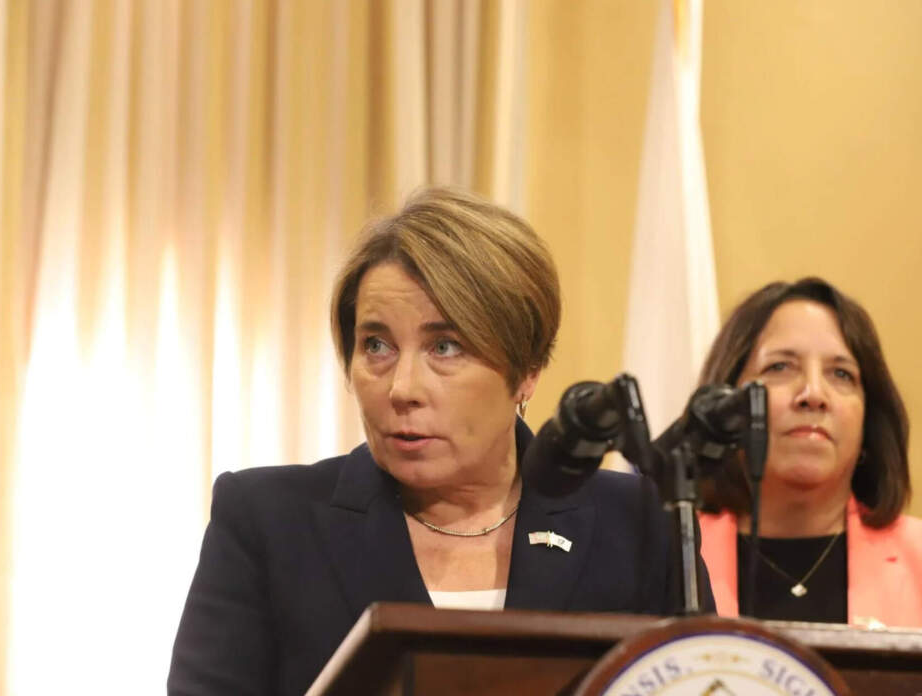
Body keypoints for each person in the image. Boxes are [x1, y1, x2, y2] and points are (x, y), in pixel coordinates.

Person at [167, 187, 713, 696]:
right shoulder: (268, 522)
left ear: (527, 369)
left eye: (446, 347)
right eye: (376, 344)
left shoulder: (637, 522)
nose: (402, 388)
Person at [695, 277, 922, 627]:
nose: (814, 393)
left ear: (869, 419)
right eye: (780, 367)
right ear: (724, 404)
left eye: (842, 374)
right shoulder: (670, 555)